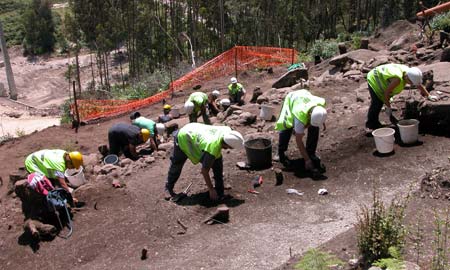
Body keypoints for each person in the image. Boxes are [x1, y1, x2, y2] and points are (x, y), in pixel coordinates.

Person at [164, 123, 244, 201]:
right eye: (230, 148)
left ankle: (219, 190)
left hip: (194, 130)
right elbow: (204, 171)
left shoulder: (227, 131)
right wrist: (211, 189)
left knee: (217, 162)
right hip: (184, 137)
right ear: (226, 145)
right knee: (177, 164)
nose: (229, 149)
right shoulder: (212, 148)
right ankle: (168, 188)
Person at [365, 64, 438, 131]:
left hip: (382, 77)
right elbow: (386, 93)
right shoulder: (397, 80)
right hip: (374, 78)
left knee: (380, 102)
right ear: (407, 78)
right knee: (377, 103)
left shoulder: (409, 72)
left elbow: (418, 84)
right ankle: (370, 125)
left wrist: (429, 96)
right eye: (411, 83)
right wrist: (388, 107)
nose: (412, 84)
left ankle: (376, 123)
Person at [275, 89, 327, 172]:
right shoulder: (300, 116)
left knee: (314, 126)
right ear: (309, 115)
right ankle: (281, 153)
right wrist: (307, 161)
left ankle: (310, 153)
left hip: (304, 95)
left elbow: (320, 116)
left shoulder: (319, 106)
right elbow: (299, 141)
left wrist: (321, 122)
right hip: (292, 99)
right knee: (286, 126)